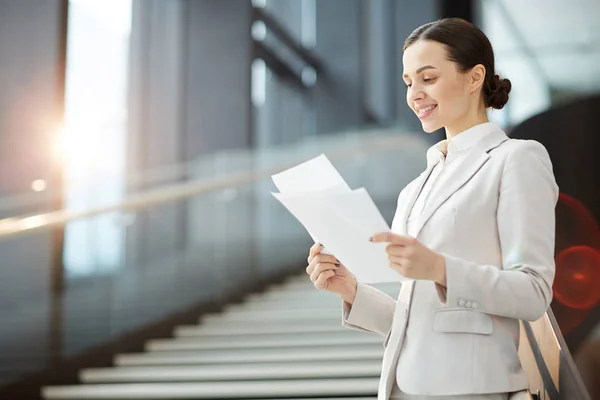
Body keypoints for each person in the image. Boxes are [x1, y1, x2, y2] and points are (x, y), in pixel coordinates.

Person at [306, 18, 559, 400]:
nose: (414, 94)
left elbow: (533, 292)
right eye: (408, 82)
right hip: (404, 389)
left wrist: (441, 269)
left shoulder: (516, 159)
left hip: (476, 390)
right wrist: (353, 291)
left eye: (428, 78)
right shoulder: (414, 190)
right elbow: (419, 322)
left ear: (475, 77)